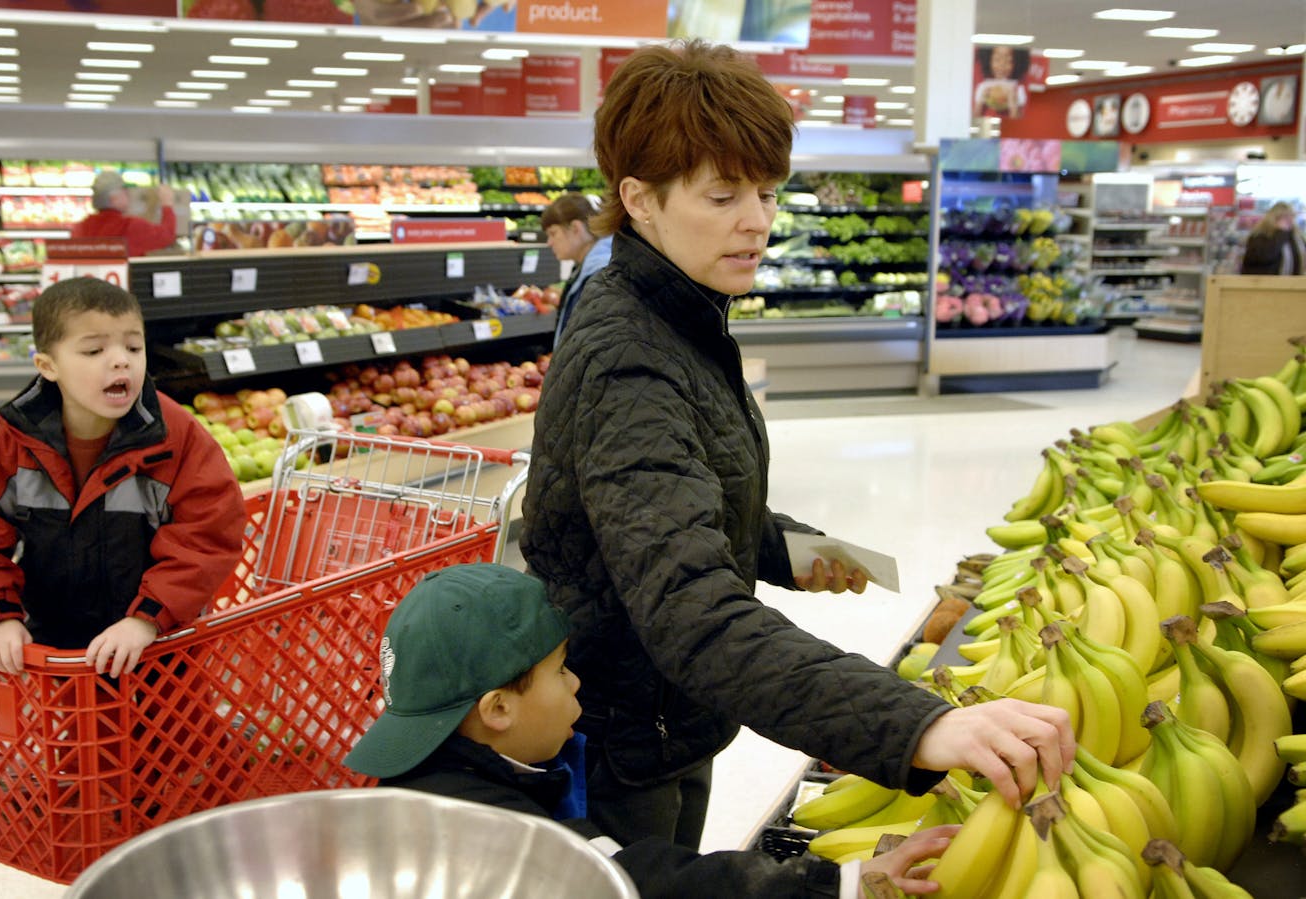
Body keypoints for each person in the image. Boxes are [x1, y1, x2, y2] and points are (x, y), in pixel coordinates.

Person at [520, 40, 1075, 850]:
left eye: (768, 192)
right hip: (618, 739)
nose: (758, 220)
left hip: (668, 714)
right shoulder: (626, 355)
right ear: (638, 199)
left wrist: (788, 546)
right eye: (722, 195)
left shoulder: (681, 315)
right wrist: (915, 724)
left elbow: (674, 494)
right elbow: (693, 615)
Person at [344, 563, 960, 899]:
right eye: (561, 672)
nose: (577, 686)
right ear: (498, 709)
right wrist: (838, 886)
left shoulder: (440, 774)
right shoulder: (502, 829)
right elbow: (645, 880)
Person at [0, 277, 246, 677]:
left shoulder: (176, 437)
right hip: (49, 645)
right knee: (68, 740)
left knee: (163, 739)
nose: (121, 361)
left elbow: (208, 534)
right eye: (94, 350)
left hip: (159, 648)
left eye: (134, 347)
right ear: (47, 366)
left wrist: (147, 619)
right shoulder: (5, 442)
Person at [540, 193, 613, 344]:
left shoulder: (600, 275)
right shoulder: (588, 269)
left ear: (575, 228)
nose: (549, 242)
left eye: (553, 233)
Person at [71, 171, 179, 258]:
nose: (128, 194)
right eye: (124, 191)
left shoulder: (80, 228)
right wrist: (167, 204)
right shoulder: (130, 226)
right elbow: (167, 235)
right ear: (114, 198)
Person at [1241, 202, 1305, 275]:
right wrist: (1280, 233)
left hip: (1294, 283)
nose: (1288, 221)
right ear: (1273, 218)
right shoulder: (1259, 237)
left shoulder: (1296, 238)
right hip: (1264, 283)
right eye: (1284, 217)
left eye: (1290, 217)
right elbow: (1264, 256)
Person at [973, 45, 1028, 119]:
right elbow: (974, 117)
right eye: (997, 59)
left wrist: (1012, 102)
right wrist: (981, 100)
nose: (1002, 65)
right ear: (988, 60)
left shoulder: (1018, 89)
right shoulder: (983, 86)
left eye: (1009, 61)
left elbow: (1018, 122)